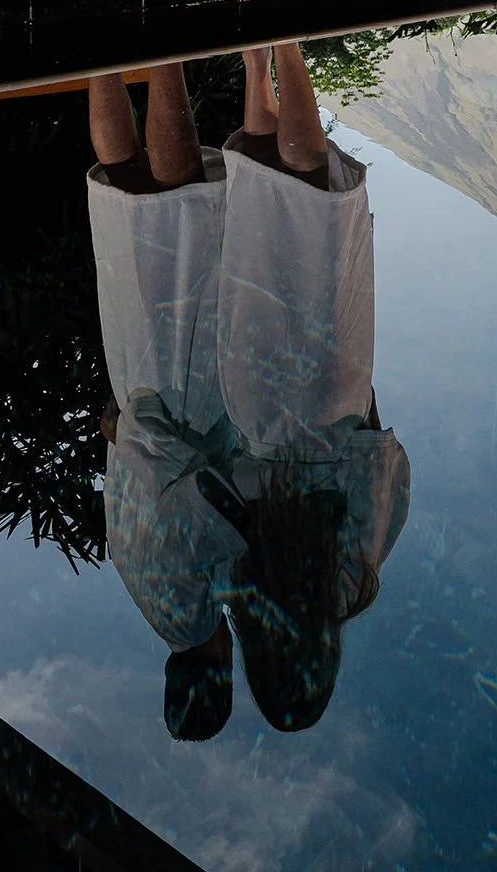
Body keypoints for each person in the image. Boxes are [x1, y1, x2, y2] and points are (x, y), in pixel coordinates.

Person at [204, 44, 410, 730]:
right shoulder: (235, 585)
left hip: (329, 396)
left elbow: (381, 463)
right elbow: (210, 476)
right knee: (265, 216)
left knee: (316, 204)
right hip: (254, 397)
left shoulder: (352, 583)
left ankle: (286, 45)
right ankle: (253, 62)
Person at [86, 62, 240, 740]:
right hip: (134, 393)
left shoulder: (193, 607)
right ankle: (101, 55)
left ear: (222, 671)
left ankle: (164, 53)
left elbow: (194, 497)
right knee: (124, 200)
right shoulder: (145, 597)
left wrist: (261, 517)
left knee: (180, 216)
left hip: (180, 402)